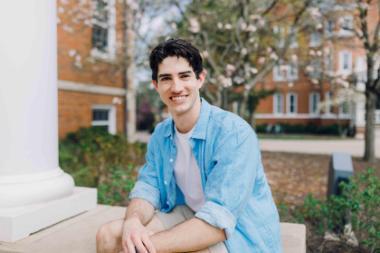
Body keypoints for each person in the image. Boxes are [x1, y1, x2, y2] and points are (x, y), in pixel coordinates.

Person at [96, 38, 282, 253]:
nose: (176, 87)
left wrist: (146, 247)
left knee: (139, 248)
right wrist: (133, 222)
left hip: (238, 232)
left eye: (184, 76)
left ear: (200, 79)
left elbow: (219, 220)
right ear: (156, 85)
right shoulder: (161, 133)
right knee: (109, 236)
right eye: (166, 78)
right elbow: (149, 187)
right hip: (191, 212)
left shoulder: (234, 133)